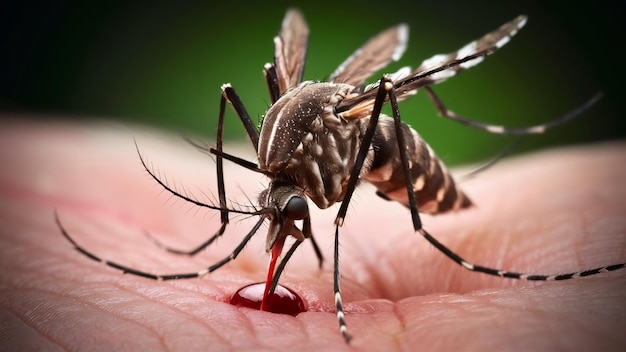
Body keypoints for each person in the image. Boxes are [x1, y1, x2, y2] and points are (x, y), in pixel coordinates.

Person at [1, 119, 624, 350]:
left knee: (381, 103)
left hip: (391, 152)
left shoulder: (324, 160)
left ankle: (448, 217)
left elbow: (357, 140)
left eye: (289, 215)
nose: (285, 229)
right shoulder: (280, 165)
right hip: (335, 148)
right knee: (234, 96)